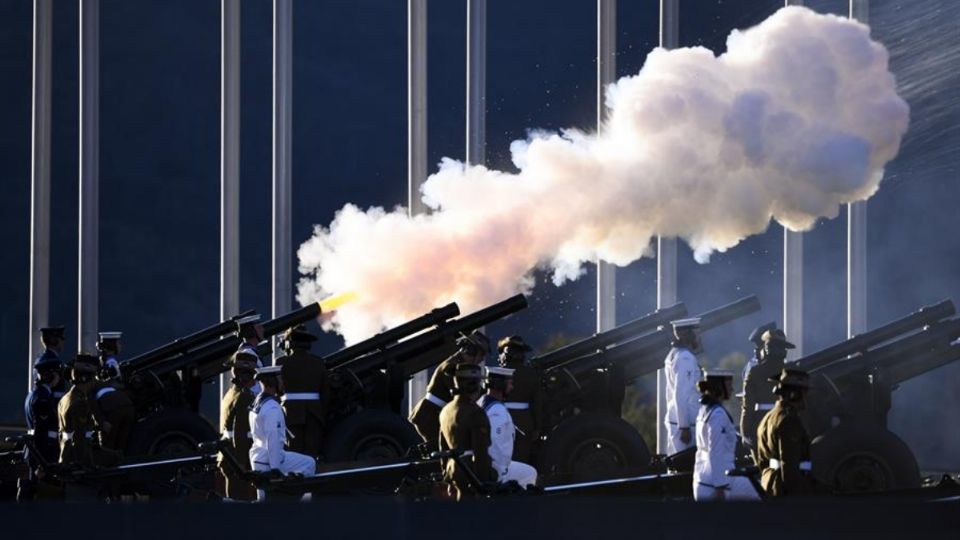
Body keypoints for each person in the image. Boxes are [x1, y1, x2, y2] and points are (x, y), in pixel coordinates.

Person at [410, 331, 491, 447]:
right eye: (482, 354)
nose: (482, 359)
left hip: (434, 414)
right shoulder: (452, 367)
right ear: (471, 351)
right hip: (429, 417)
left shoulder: (458, 365)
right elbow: (465, 392)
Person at [249, 365, 316, 502]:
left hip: (258, 456)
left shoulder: (257, 402)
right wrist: (275, 469)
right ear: (271, 383)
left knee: (263, 501)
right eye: (280, 379)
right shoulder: (272, 407)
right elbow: (273, 438)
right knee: (309, 463)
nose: (283, 383)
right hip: (270, 459)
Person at [693, 371, 760, 501]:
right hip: (717, 484)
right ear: (719, 387)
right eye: (729, 385)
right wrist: (720, 486)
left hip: (703, 481)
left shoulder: (704, 410)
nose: (732, 389)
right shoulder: (718, 415)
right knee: (760, 493)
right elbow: (716, 451)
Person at [438, 363, 496, 501]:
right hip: (471, 472)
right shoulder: (476, 413)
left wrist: (446, 473)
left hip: (453, 469)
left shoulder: (446, 410)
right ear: (473, 385)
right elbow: (480, 452)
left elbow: (443, 447)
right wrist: (484, 480)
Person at [754, 368, 814, 497]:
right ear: (794, 394)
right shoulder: (788, 421)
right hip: (785, 490)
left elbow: (761, 461)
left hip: (769, 484)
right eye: (804, 393)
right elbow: (789, 466)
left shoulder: (768, 417)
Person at [19, 348, 67, 500]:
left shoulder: (35, 394)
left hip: (37, 450)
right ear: (51, 375)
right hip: (42, 452)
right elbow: (41, 431)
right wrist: (43, 463)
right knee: (42, 493)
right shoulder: (43, 397)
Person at [478, 366, 538, 488]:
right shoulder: (497, 410)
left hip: (488, 465)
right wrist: (501, 471)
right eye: (509, 383)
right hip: (496, 468)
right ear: (500, 385)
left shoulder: (481, 402)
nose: (512, 387)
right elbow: (494, 445)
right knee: (530, 473)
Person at [276, 325, 328, 458]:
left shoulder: (281, 362)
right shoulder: (318, 362)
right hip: (314, 413)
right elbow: (325, 393)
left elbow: (277, 390)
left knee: (293, 453)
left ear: (289, 344)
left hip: (290, 414)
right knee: (311, 453)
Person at [740, 329, 793, 453]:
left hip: (761, 424)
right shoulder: (791, 370)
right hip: (785, 423)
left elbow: (747, 406)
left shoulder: (755, 372)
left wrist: (745, 432)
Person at [496, 335, 543, 463]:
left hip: (500, 421)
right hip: (524, 422)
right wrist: (537, 427)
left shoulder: (496, 373)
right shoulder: (531, 374)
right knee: (521, 459)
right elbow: (537, 404)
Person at [57, 354, 110, 467]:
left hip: (67, 457)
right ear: (85, 379)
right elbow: (80, 438)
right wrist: (88, 466)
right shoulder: (80, 403)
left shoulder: (64, 399)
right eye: (94, 378)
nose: (96, 382)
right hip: (77, 463)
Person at [219, 351, 258, 501]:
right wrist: (241, 464)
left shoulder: (230, 394)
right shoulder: (245, 396)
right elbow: (240, 432)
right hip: (238, 458)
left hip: (228, 455)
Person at [663, 318, 703, 455]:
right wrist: (684, 426)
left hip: (676, 418)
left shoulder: (674, 353)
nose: (698, 336)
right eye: (695, 332)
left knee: (676, 463)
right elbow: (680, 393)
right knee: (685, 466)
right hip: (685, 423)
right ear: (685, 334)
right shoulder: (685, 358)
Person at [36, 326, 68, 400]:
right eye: (61, 339)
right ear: (54, 340)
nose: (63, 342)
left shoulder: (40, 359)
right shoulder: (52, 361)